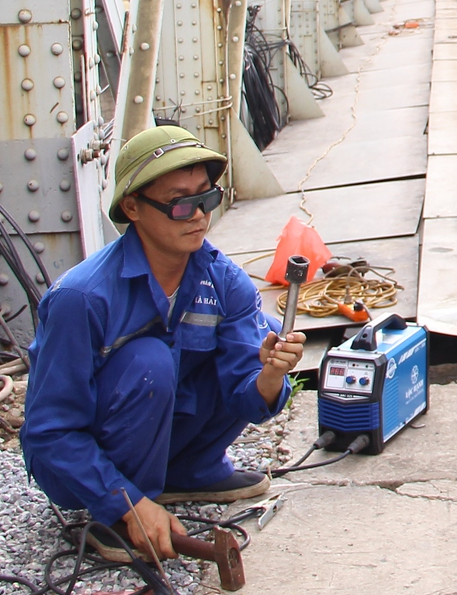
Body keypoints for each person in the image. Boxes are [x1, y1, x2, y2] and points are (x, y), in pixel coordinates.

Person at [23, 126, 303, 560]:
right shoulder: (81, 300)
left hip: (166, 439)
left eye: (207, 198)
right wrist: (128, 503)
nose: (198, 216)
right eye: (180, 203)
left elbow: (245, 399)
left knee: (253, 331)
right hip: (74, 467)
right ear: (132, 207)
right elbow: (49, 431)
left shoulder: (223, 280)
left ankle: (186, 472)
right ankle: (117, 513)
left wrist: (269, 375)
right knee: (149, 360)